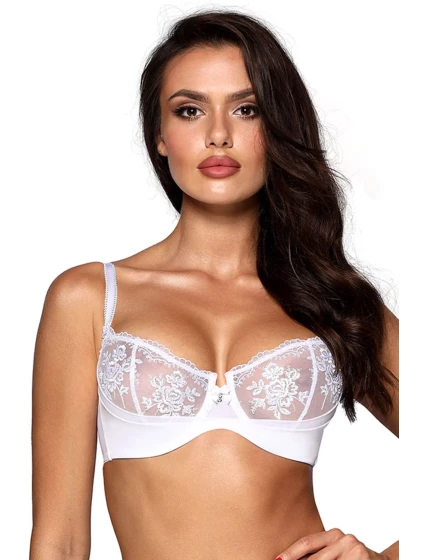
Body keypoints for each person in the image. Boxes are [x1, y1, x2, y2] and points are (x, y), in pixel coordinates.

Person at [29, 9, 399, 560]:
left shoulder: (333, 300)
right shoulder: (89, 299)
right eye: (190, 110)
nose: (219, 134)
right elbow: (58, 543)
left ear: (276, 128)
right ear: (160, 134)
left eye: (247, 110)